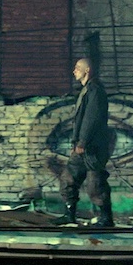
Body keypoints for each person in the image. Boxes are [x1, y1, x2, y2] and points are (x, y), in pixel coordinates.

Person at [53, 57, 114, 227]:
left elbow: (91, 119)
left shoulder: (95, 90)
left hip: (92, 149)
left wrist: (82, 142)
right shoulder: (87, 90)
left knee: (95, 184)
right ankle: (69, 215)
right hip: (82, 147)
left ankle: (106, 219)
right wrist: (77, 143)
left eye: (78, 67)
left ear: (87, 70)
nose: (74, 71)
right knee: (68, 179)